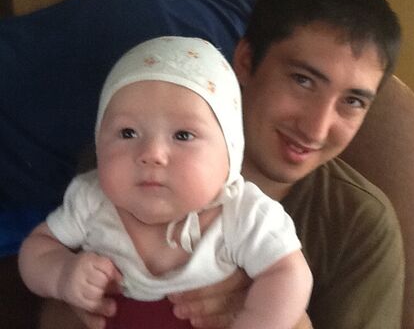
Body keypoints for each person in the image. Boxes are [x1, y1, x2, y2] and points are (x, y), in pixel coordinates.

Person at [38, 0, 405, 329]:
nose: (316, 128)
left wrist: (283, 315)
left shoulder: (359, 223)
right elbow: (53, 310)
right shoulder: (125, 159)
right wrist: (92, 296)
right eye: (303, 80)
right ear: (245, 61)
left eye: (353, 101)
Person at [18, 36, 313, 329]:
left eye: (183, 135)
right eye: (128, 133)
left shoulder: (242, 214)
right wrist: (62, 274)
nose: (152, 154)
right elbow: (38, 247)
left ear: (230, 156)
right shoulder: (91, 200)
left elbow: (290, 275)